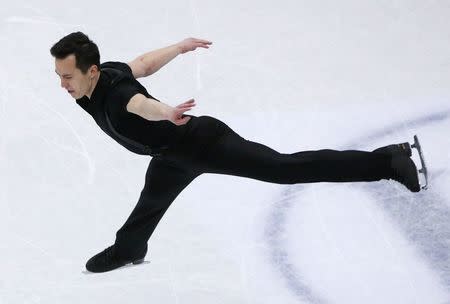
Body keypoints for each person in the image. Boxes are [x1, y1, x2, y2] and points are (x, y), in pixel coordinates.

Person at [50, 32, 421, 273]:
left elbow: (140, 104)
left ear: (91, 71)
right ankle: (128, 248)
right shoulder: (98, 81)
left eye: (66, 76)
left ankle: (388, 162)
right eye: (59, 75)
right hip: (169, 155)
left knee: (285, 168)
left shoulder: (115, 95)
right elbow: (143, 64)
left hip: (202, 143)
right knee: (151, 201)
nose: (62, 84)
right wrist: (178, 48)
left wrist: (167, 112)